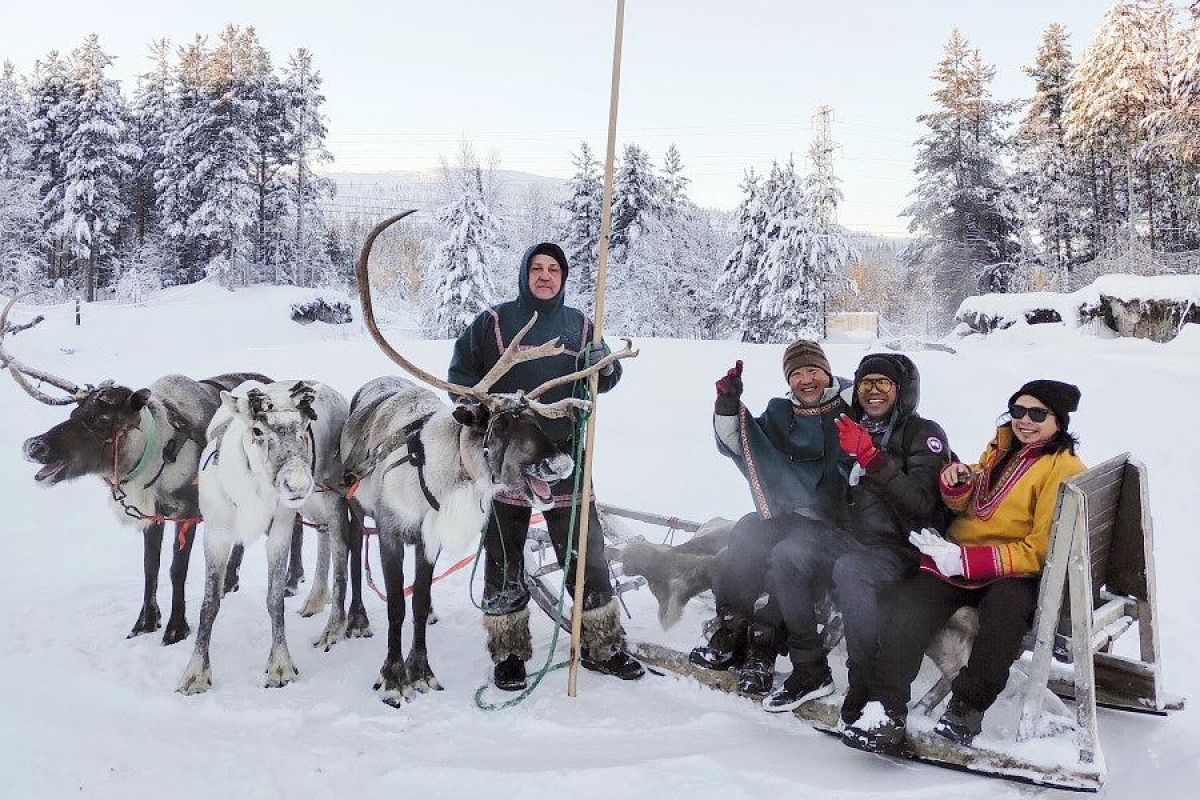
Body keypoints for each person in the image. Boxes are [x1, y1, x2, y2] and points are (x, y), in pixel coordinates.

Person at [844, 379, 1086, 753]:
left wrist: (965, 559)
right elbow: (974, 504)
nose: (1024, 421)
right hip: (957, 557)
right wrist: (958, 484)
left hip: (1012, 569)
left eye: (1037, 414)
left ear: (1059, 421)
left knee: (1004, 616)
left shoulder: (1061, 468)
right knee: (910, 606)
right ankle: (885, 708)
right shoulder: (1003, 448)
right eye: (1018, 411)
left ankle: (966, 707)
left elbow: (1040, 550)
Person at [448, 242, 644, 691]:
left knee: (584, 549)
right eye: (536, 267)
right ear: (524, 273)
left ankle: (602, 642)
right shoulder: (492, 323)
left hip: (565, 450)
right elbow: (461, 377)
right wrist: (473, 409)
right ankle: (510, 650)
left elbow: (607, 379)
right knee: (503, 552)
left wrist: (603, 367)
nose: (544, 275)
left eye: (553, 269)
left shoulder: (580, 324)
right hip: (506, 455)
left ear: (563, 277)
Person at [762, 354, 951, 722]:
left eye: (884, 383)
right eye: (866, 383)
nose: (873, 391)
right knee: (789, 553)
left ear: (903, 391)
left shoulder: (923, 434)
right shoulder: (849, 425)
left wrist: (871, 457)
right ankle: (810, 669)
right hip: (854, 538)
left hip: (903, 547)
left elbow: (925, 507)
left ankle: (863, 681)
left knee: (851, 570)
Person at [689, 341, 850, 694]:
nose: (806, 381)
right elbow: (742, 442)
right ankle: (731, 629)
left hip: (836, 521)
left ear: (826, 372)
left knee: (788, 555)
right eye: (797, 374)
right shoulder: (782, 414)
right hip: (788, 513)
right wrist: (728, 404)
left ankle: (763, 648)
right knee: (747, 531)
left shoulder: (850, 408)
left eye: (813, 371)